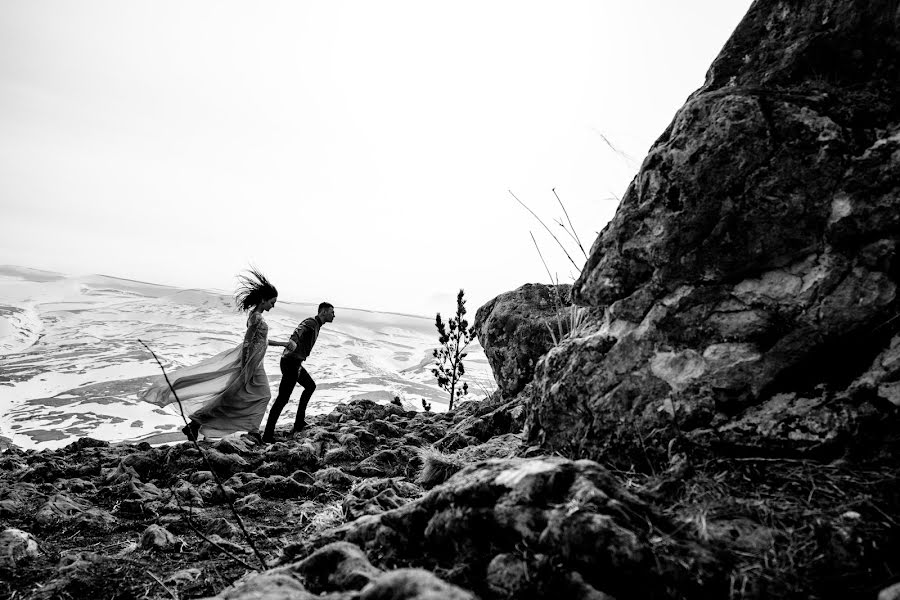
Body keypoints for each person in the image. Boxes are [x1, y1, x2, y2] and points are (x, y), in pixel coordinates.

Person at [139, 268, 291, 445]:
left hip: (256, 364)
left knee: (241, 397)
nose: (273, 306)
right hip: (250, 365)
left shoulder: (257, 317)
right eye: (272, 302)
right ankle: (251, 431)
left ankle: (199, 425)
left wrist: (283, 344)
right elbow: (248, 341)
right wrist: (244, 367)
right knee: (254, 396)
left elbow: (262, 340)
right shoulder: (256, 318)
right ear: (263, 300)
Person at [262, 302, 335, 443]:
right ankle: (267, 435)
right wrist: (293, 341)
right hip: (291, 363)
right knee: (282, 399)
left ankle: (299, 423)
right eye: (332, 312)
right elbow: (298, 331)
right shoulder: (311, 322)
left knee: (310, 386)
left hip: (295, 363)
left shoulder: (316, 325)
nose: (334, 315)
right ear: (324, 312)